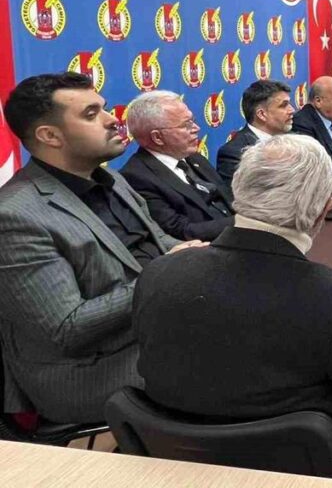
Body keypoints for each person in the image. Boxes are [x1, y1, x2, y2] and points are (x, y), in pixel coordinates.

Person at [134, 135, 332, 487]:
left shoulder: (158, 274)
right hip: (314, 466)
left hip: (185, 463)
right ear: (324, 209)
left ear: (239, 193)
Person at [0, 73, 199, 423]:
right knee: (244, 357)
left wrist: (206, 254)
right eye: (91, 114)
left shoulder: (113, 180)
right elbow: (67, 329)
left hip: (157, 326)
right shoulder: (15, 215)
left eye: (104, 108)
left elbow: (161, 243)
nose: (112, 120)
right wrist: (165, 274)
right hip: (92, 369)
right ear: (50, 136)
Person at [121, 91, 233, 242]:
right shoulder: (136, 177)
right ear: (157, 137)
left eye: (193, 120)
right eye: (186, 125)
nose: (196, 128)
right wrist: (241, 222)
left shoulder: (193, 157)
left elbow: (227, 198)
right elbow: (180, 230)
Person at [216, 79, 294, 183]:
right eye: (284, 105)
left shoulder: (295, 141)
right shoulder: (234, 153)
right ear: (262, 114)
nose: (292, 110)